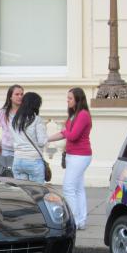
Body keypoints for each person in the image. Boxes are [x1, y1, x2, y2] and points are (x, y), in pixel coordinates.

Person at [47, 87, 92, 230]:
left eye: (70, 98)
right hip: (74, 155)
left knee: (68, 187)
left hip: (80, 155)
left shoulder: (83, 115)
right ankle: (80, 220)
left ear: (78, 100)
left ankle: (73, 219)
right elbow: (64, 133)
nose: (67, 101)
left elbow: (72, 136)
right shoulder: (74, 115)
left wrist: (66, 132)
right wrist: (46, 139)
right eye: (67, 98)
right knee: (78, 188)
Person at [0, 84, 24, 177]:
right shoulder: (2, 113)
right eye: (17, 94)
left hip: (23, 153)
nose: (20, 96)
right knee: (7, 182)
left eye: (22, 94)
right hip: (6, 153)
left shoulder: (26, 113)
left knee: (22, 183)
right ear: (10, 97)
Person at [10, 92, 47, 183]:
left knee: (23, 194)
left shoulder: (14, 120)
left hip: (17, 160)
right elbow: (42, 142)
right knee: (37, 193)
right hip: (33, 160)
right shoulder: (37, 119)